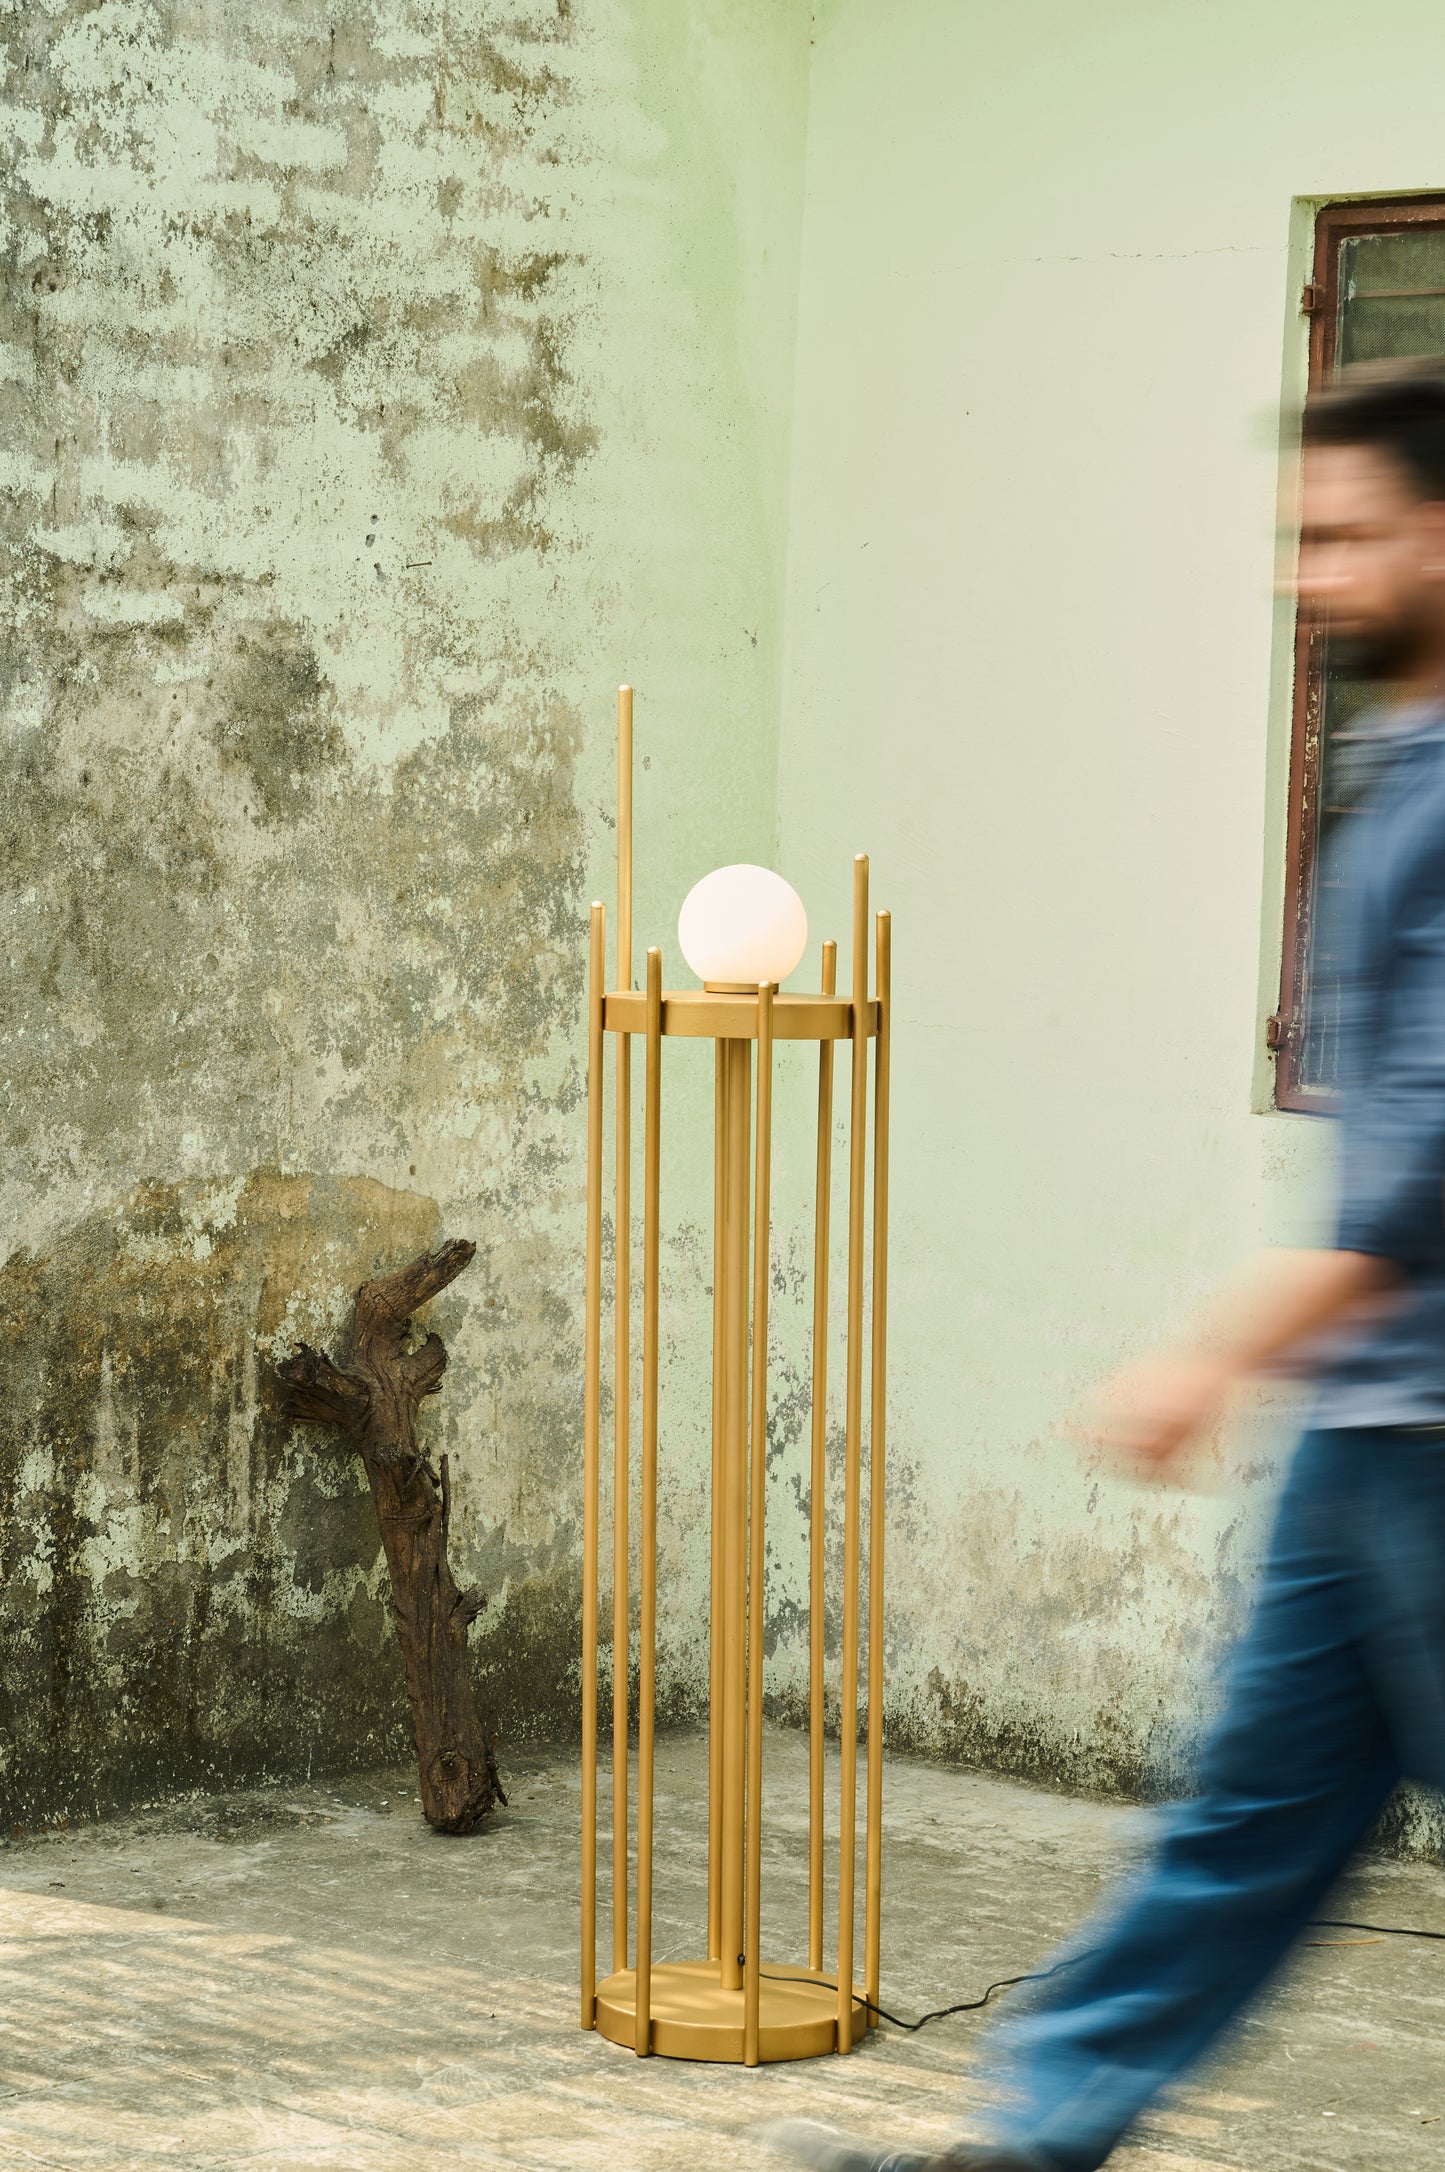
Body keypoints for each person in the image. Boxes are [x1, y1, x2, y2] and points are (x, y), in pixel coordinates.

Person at [761, 357, 1445, 2172]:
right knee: (1234, 1840)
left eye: (1345, 535)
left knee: (1237, 1841)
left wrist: (1211, 1351)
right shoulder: (1401, 760)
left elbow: (1435, 1161)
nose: (1307, 574)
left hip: (1430, 1439)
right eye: (1300, 534)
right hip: (1371, 1438)